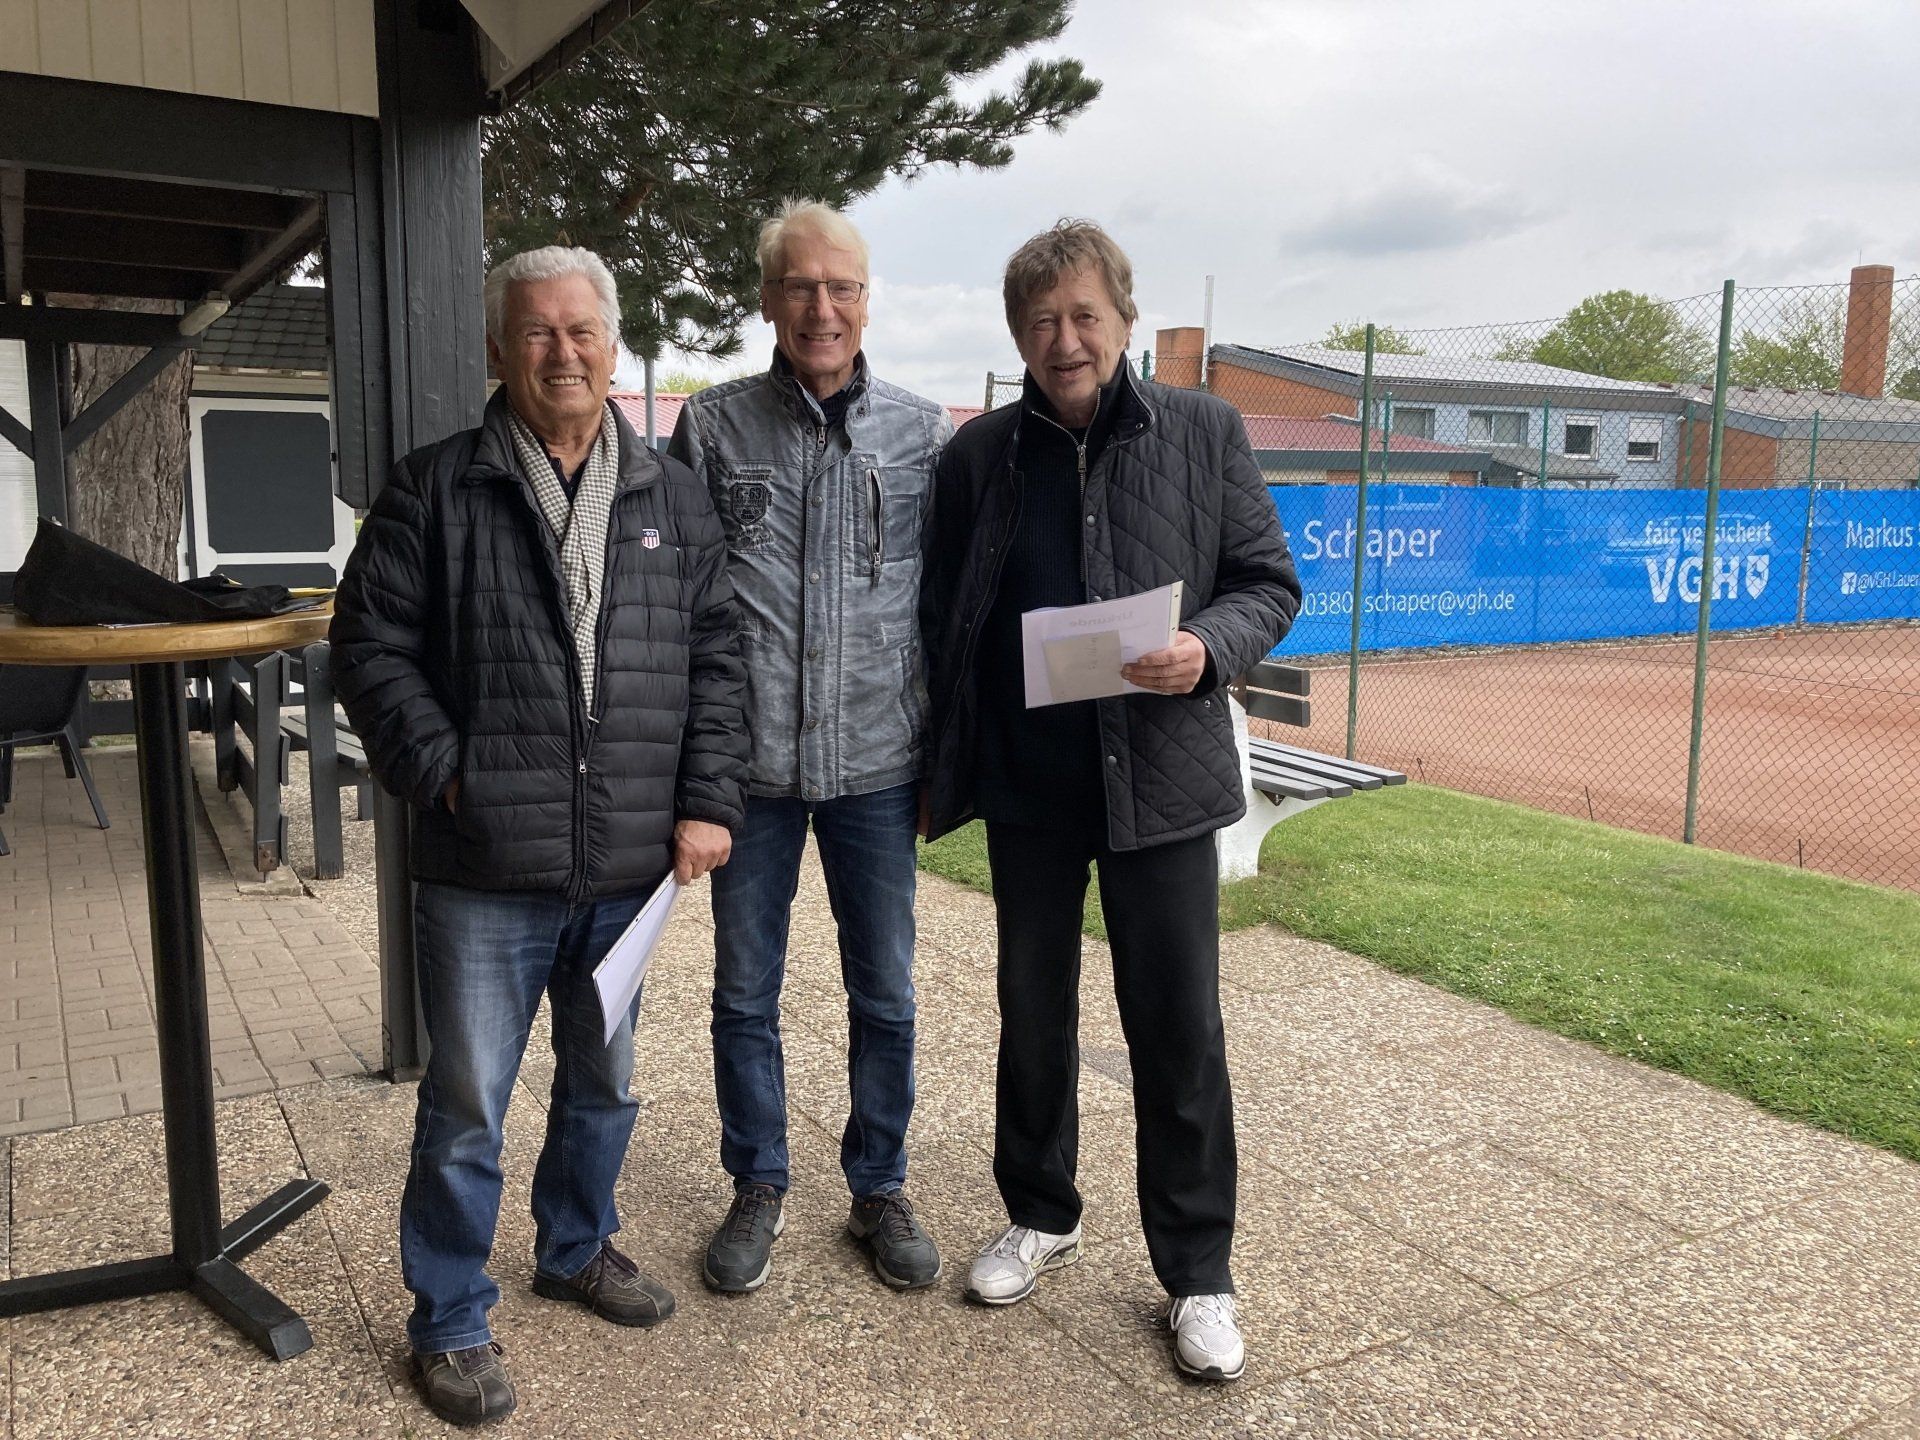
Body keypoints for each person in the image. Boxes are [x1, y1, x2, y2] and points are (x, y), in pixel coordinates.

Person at [331, 246, 747, 1427]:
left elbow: (718, 660)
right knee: (468, 1102)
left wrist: (708, 800)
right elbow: (369, 648)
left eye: (581, 332)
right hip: (484, 867)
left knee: (604, 1084)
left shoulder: (672, 494)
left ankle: (574, 1246)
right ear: (498, 350)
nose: (562, 353)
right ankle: (450, 1315)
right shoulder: (434, 490)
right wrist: (449, 776)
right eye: (536, 332)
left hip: (627, 866)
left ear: (612, 347)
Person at [921, 220, 1300, 1382]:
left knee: (1177, 1030)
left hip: (1164, 783)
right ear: (1018, 336)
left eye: (1084, 315)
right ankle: (1041, 1212)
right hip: (1032, 788)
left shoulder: (1205, 431)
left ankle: (1199, 1273)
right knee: (1030, 1014)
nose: (1064, 339)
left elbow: (1268, 584)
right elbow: (947, 616)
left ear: (1124, 321)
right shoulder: (978, 457)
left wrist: (1207, 648)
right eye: (1041, 321)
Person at [668, 199, 951, 1294]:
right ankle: (759, 1181)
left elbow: (949, 610)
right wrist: (696, 775)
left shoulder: (923, 435)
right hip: (753, 778)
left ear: (866, 301)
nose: (821, 308)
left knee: (887, 994)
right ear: (768, 300)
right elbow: (683, 608)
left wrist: (943, 760)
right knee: (745, 993)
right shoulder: (712, 432)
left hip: (880, 768)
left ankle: (878, 1185)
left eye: (840, 288)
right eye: (800, 286)